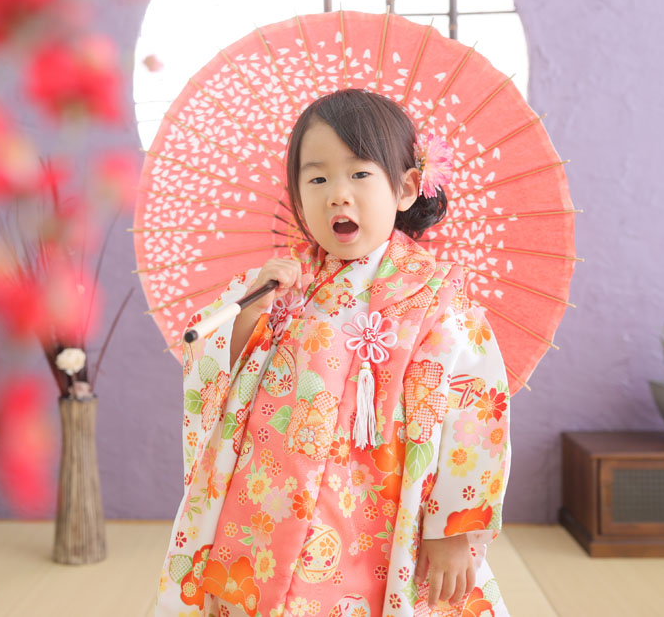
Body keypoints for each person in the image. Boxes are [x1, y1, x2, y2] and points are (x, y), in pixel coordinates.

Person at [156, 88, 511, 617]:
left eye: (359, 174)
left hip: (377, 507)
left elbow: (475, 410)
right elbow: (209, 367)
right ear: (298, 198)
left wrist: (452, 529)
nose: (338, 195)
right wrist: (250, 312)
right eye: (317, 179)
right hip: (268, 498)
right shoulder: (280, 284)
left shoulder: (436, 299)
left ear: (406, 188)